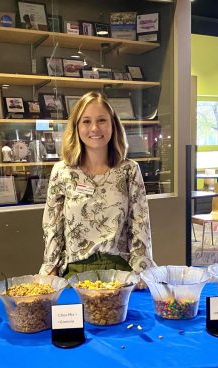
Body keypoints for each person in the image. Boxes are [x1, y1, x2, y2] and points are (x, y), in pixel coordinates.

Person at [39, 91, 155, 279]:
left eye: (102, 120)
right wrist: (51, 269)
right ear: (76, 127)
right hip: (75, 272)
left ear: (113, 125)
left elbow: (140, 224)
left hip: (121, 271)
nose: (94, 128)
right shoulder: (62, 171)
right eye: (86, 121)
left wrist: (141, 271)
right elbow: (52, 225)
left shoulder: (129, 170)